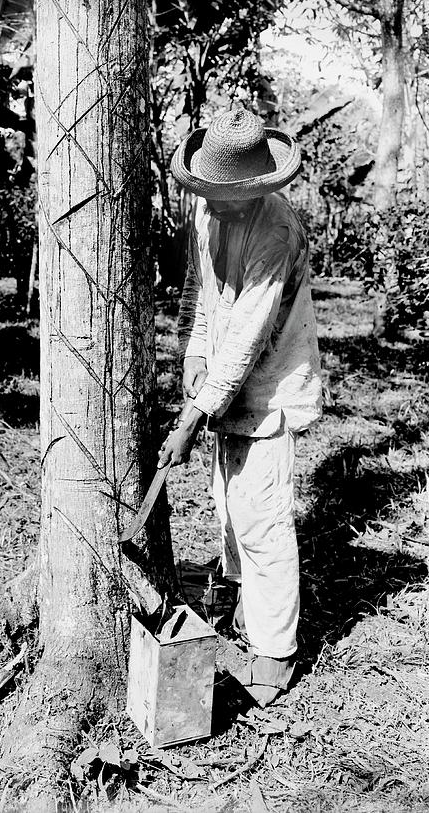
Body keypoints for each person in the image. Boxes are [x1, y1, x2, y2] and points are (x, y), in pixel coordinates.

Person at [158, 103, 322, 707]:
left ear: (259, 186)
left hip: (272, 374)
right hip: (224, 375)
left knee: (263, 519)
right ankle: (234, 599)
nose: (215, 202)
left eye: (228, 195)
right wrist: (194, 354)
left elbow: (251, 329)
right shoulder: (207, 206)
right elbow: (205, 293)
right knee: (230, 504)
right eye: (210, 191)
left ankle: (274, 652)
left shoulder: (275, 230)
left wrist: (194, 413)